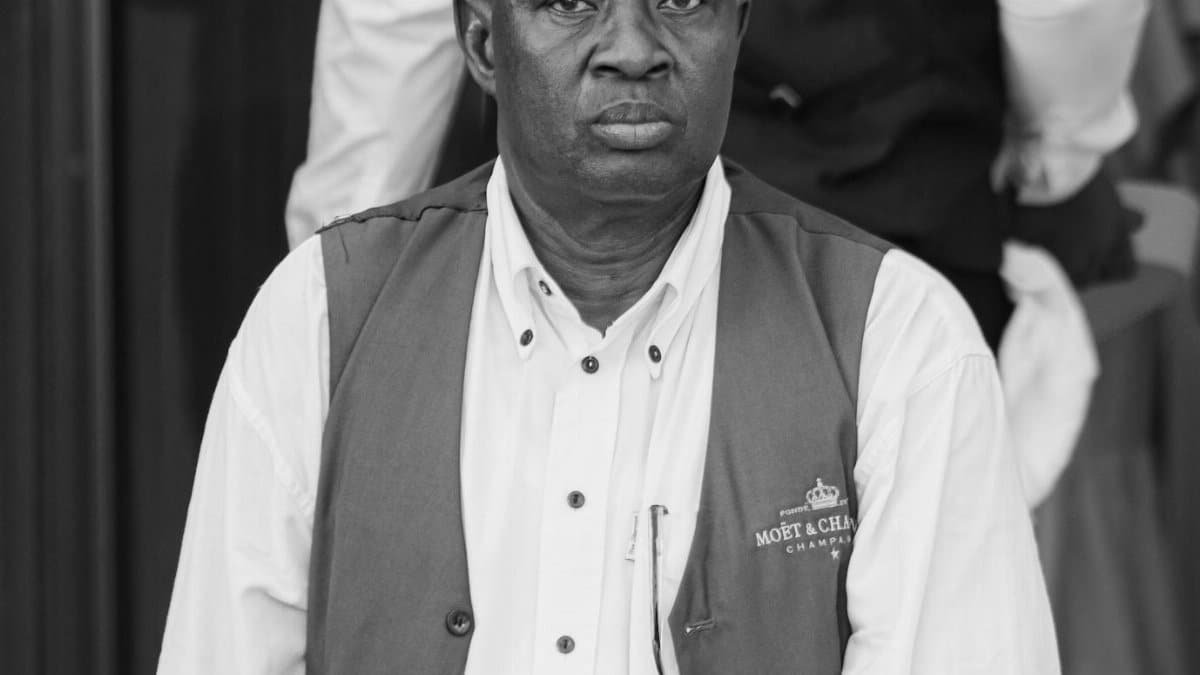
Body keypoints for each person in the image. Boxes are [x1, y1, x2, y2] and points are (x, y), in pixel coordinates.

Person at [160, 0, 1058, 672]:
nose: (632, 49)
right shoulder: (319, 321)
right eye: (570, 0)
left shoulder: (901, 344)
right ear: (480, 41)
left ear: (738, 30)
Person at [283, 0, 1147, 508]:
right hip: (894, 155)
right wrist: (1060, 152)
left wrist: (353, 245)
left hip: (608, 205)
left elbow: (390, 18)